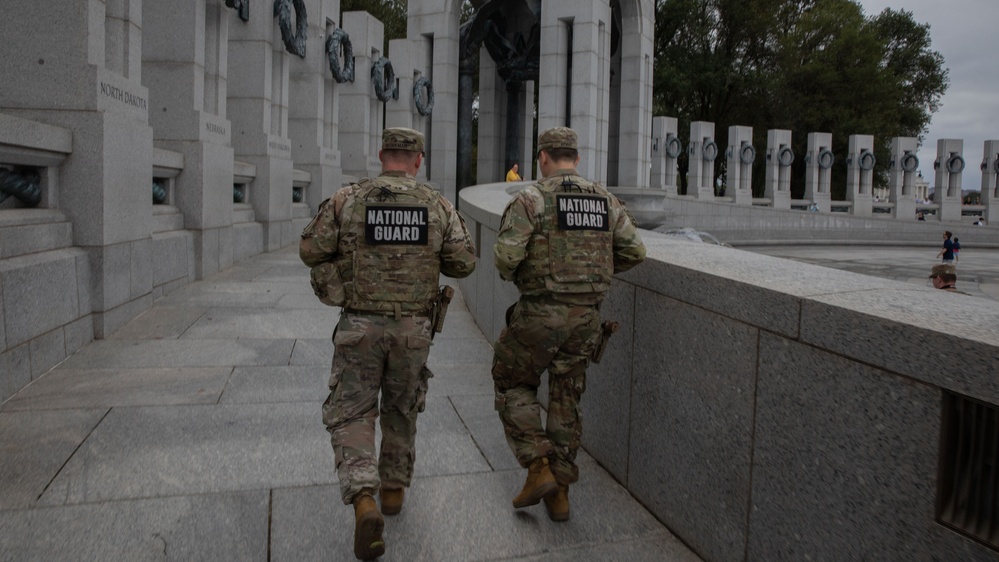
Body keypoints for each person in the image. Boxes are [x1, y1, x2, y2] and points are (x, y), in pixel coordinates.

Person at [299, 127, 476, 560]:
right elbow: (464, 263)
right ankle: (393, 488)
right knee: (402, 404)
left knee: (353, 409)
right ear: (418, 160)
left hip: (360, 325)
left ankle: (364, 498)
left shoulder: (348, 199)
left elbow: (310, 249)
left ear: (382, 156)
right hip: (414, 329)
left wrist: (337, 287)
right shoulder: (438, 205)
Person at [491, 127, 646, 522]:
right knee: (565, 398)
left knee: (512, 383)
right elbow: (634, 251)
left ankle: (538, 467)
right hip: (587, 320)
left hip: (539, 314)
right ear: (576, 159)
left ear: (543, 157)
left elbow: (506, 259)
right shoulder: (605, 201)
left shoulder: (531, 198)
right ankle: (559, 495)